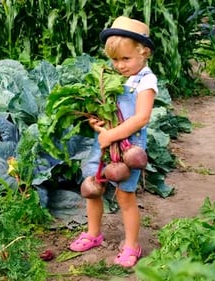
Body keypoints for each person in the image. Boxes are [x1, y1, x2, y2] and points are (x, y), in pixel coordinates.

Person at [69, 16, 157, 268]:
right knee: (93, 187)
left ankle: (131, 245)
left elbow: (141, 118)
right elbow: (104, 111)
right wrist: (97, 125)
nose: (119, 65)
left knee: (124, 196)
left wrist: (110, 135)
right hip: (104, 142)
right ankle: (93, 233)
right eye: (115, 60)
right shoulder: (111, 77)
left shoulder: (146, 81)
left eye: (125, 59)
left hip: (128, 148)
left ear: (144, 53)